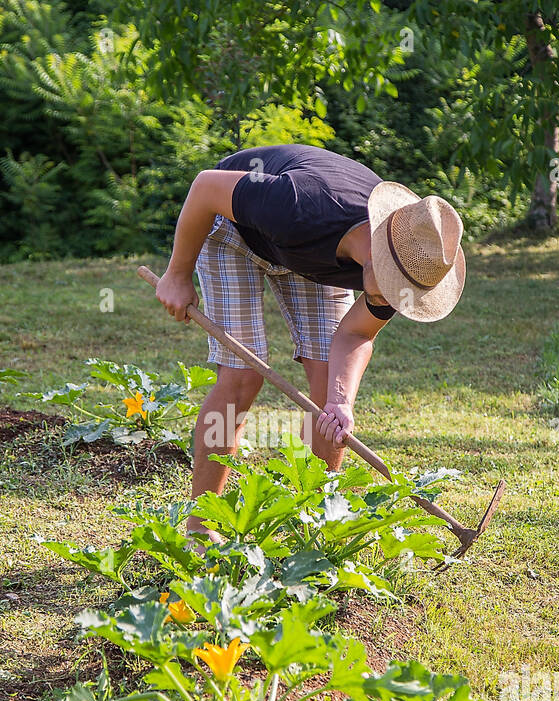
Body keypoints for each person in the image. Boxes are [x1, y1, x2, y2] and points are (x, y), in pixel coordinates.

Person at [153, 143, 466, 542]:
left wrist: (340, 400)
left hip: (308, 255)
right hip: (234, 229)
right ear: (374, 259)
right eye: (390, 289)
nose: (389, 301)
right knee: (242, 378)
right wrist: (178, 274)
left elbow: (356, 334)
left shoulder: (408, 264)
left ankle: (311, 529)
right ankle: (200, 527)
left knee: (326, 394)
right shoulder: (300, 204)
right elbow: (205, 188)